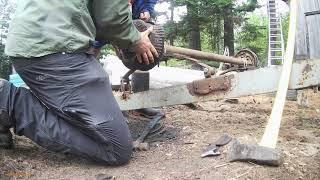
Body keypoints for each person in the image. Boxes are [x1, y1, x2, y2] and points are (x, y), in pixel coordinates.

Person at [0, 0, 158, 165]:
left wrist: (120, 37)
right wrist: (134, 40)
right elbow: (111, 17)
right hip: (54, 48)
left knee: (97, 107)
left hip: (37, 38)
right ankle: (9, 102)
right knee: (116, 148)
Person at [89, 0, 163, 120]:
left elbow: (149, 1)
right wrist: (128, 39)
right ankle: (96, 108)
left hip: (129, 14)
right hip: (101, 16)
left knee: (144, 55)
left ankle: (139, 103)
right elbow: (109, 15)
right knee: (89, 55)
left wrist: (146, 10)